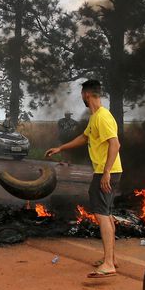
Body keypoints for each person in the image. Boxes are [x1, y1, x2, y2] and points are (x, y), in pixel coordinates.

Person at [46, 80, 123, 279]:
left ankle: (108, 263)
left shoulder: (103, 117)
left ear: (87, 94)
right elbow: (84, 138)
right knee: (106, 212)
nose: (81, 97)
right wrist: (61, 148)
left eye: (82, 94)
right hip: (106, 171)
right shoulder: (95, 117)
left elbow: (115, 145)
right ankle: (111, 259)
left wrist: (106, 172)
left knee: (101, 214)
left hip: (107, 172)